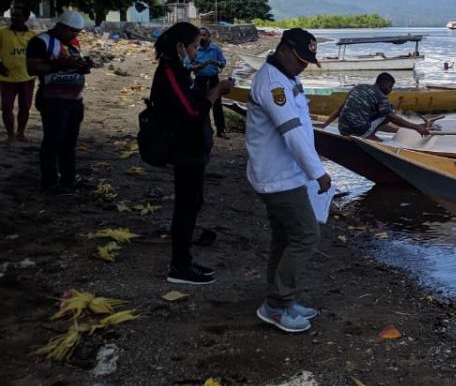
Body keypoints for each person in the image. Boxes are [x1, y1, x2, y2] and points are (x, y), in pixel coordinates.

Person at [244, 27, 331, 334]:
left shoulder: (287, 77)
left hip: (286, 173)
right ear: (282, 49)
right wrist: (317, 171)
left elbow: (301, 127)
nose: (303, 64)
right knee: (306, 236)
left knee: (285, 238)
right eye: (299, 58)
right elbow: (291, 131)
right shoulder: (272, 84)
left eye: (308, 60)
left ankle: (282, 299)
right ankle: (277, 305)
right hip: (278, 177)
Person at [150, 22, 233, 285]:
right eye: (194, 46)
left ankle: (184, 260)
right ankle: (180, 266)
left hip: (192, 146)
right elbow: (192, 111)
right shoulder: (169, 71)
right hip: (184, 147)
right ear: (180, 47)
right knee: (186, 206)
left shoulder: (178, 70)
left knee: (193, 203)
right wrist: (216, 92)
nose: (196, 52)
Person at [25, 10, 89, 194]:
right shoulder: (41, 42)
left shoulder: (72, 44)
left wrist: (81, 66)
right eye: (72, 31)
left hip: (74, 100)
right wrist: (59, 65)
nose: (75, 35)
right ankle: (50, 182)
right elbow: (32, 68)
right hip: (53, 100)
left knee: (69, 142)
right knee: (53, 141)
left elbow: (74, 63)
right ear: (60, 26)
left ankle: (68, 179)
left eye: (77, 32)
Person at [325, 73, 431, 139]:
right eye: (389, 87)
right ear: (382, 83)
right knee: (390, 110)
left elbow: (341, 108)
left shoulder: (359, 87)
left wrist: (324, 125)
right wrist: (417, 127)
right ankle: (370, 136)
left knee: (381, 111)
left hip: (343, 130)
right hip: (358, 131)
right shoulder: (380, 96)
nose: (390, 90)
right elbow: (391, 118)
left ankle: (390, 131)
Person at [0, 2, 37, 142]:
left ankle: (20, 133)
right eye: (13, 16)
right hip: (7, 78)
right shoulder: (2, 33)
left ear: (26, 18)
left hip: (27, 77)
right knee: (6, 108)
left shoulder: (33, 36)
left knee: (25, 108)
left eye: (18, 16)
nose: (14, 19)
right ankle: (10, 135)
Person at [190, 27, 229, 138]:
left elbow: (223, 63)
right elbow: (190, 66)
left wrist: (217, 63)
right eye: (200, 35)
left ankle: (221, 130)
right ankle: (206, 130)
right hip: (200, 80)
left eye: (204, 35)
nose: (202, 37)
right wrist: (200, 66)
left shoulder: (215, 49)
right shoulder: (195, 50)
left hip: (213, 79)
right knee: (202, 105)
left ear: (209, 36)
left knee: (217, 105)